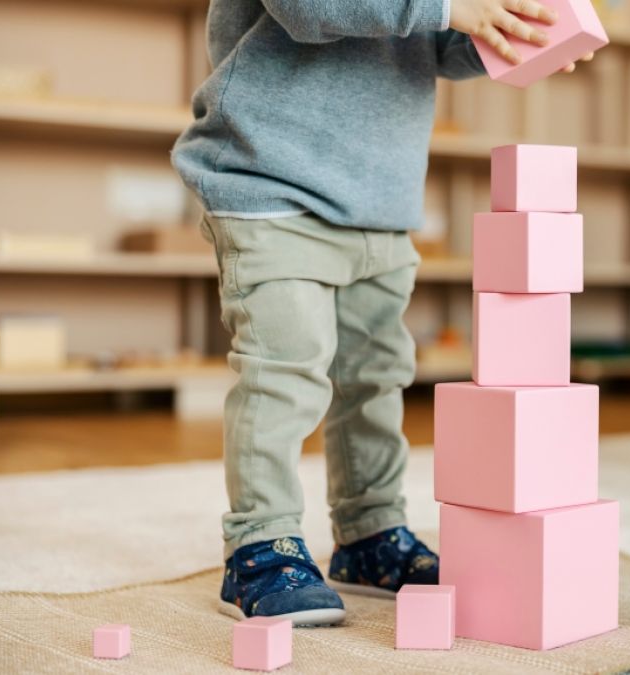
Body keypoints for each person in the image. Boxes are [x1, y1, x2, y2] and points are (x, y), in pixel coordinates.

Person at [171, 0, 589, 626]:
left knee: (375, 376)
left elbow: (437, 39)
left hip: (378, 198)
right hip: (270, 182)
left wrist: (515, 32)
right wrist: (449, 5)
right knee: (282, 371)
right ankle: (260, 542)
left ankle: (369, 531)